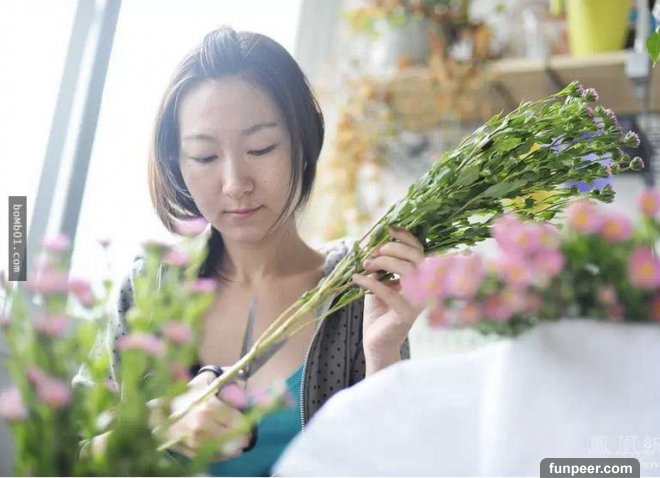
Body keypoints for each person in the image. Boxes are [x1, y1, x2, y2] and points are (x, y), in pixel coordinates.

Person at [74, 25, 426, 476]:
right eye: (205, 157)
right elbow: (63, 458)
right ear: (177, 166)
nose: (235, 183)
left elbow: (393, 465)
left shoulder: (357, 293)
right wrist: (159, 426)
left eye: (261, 148)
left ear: (302, 145)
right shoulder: (149, 287)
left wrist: (382, 356)